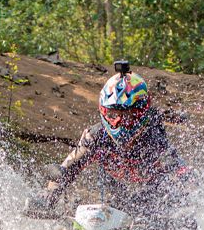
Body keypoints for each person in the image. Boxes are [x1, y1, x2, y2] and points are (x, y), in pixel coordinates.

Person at [38, 60, 192, 219]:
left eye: (127, 115)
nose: (119, 122)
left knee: (158, 215)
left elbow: (181, 174)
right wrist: (47, 198)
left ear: (140, 113)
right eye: (112, 115)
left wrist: (184, 208)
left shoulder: (154, 138)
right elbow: (66, 168)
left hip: (153, 194)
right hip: (115, 190)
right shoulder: (96, 136)